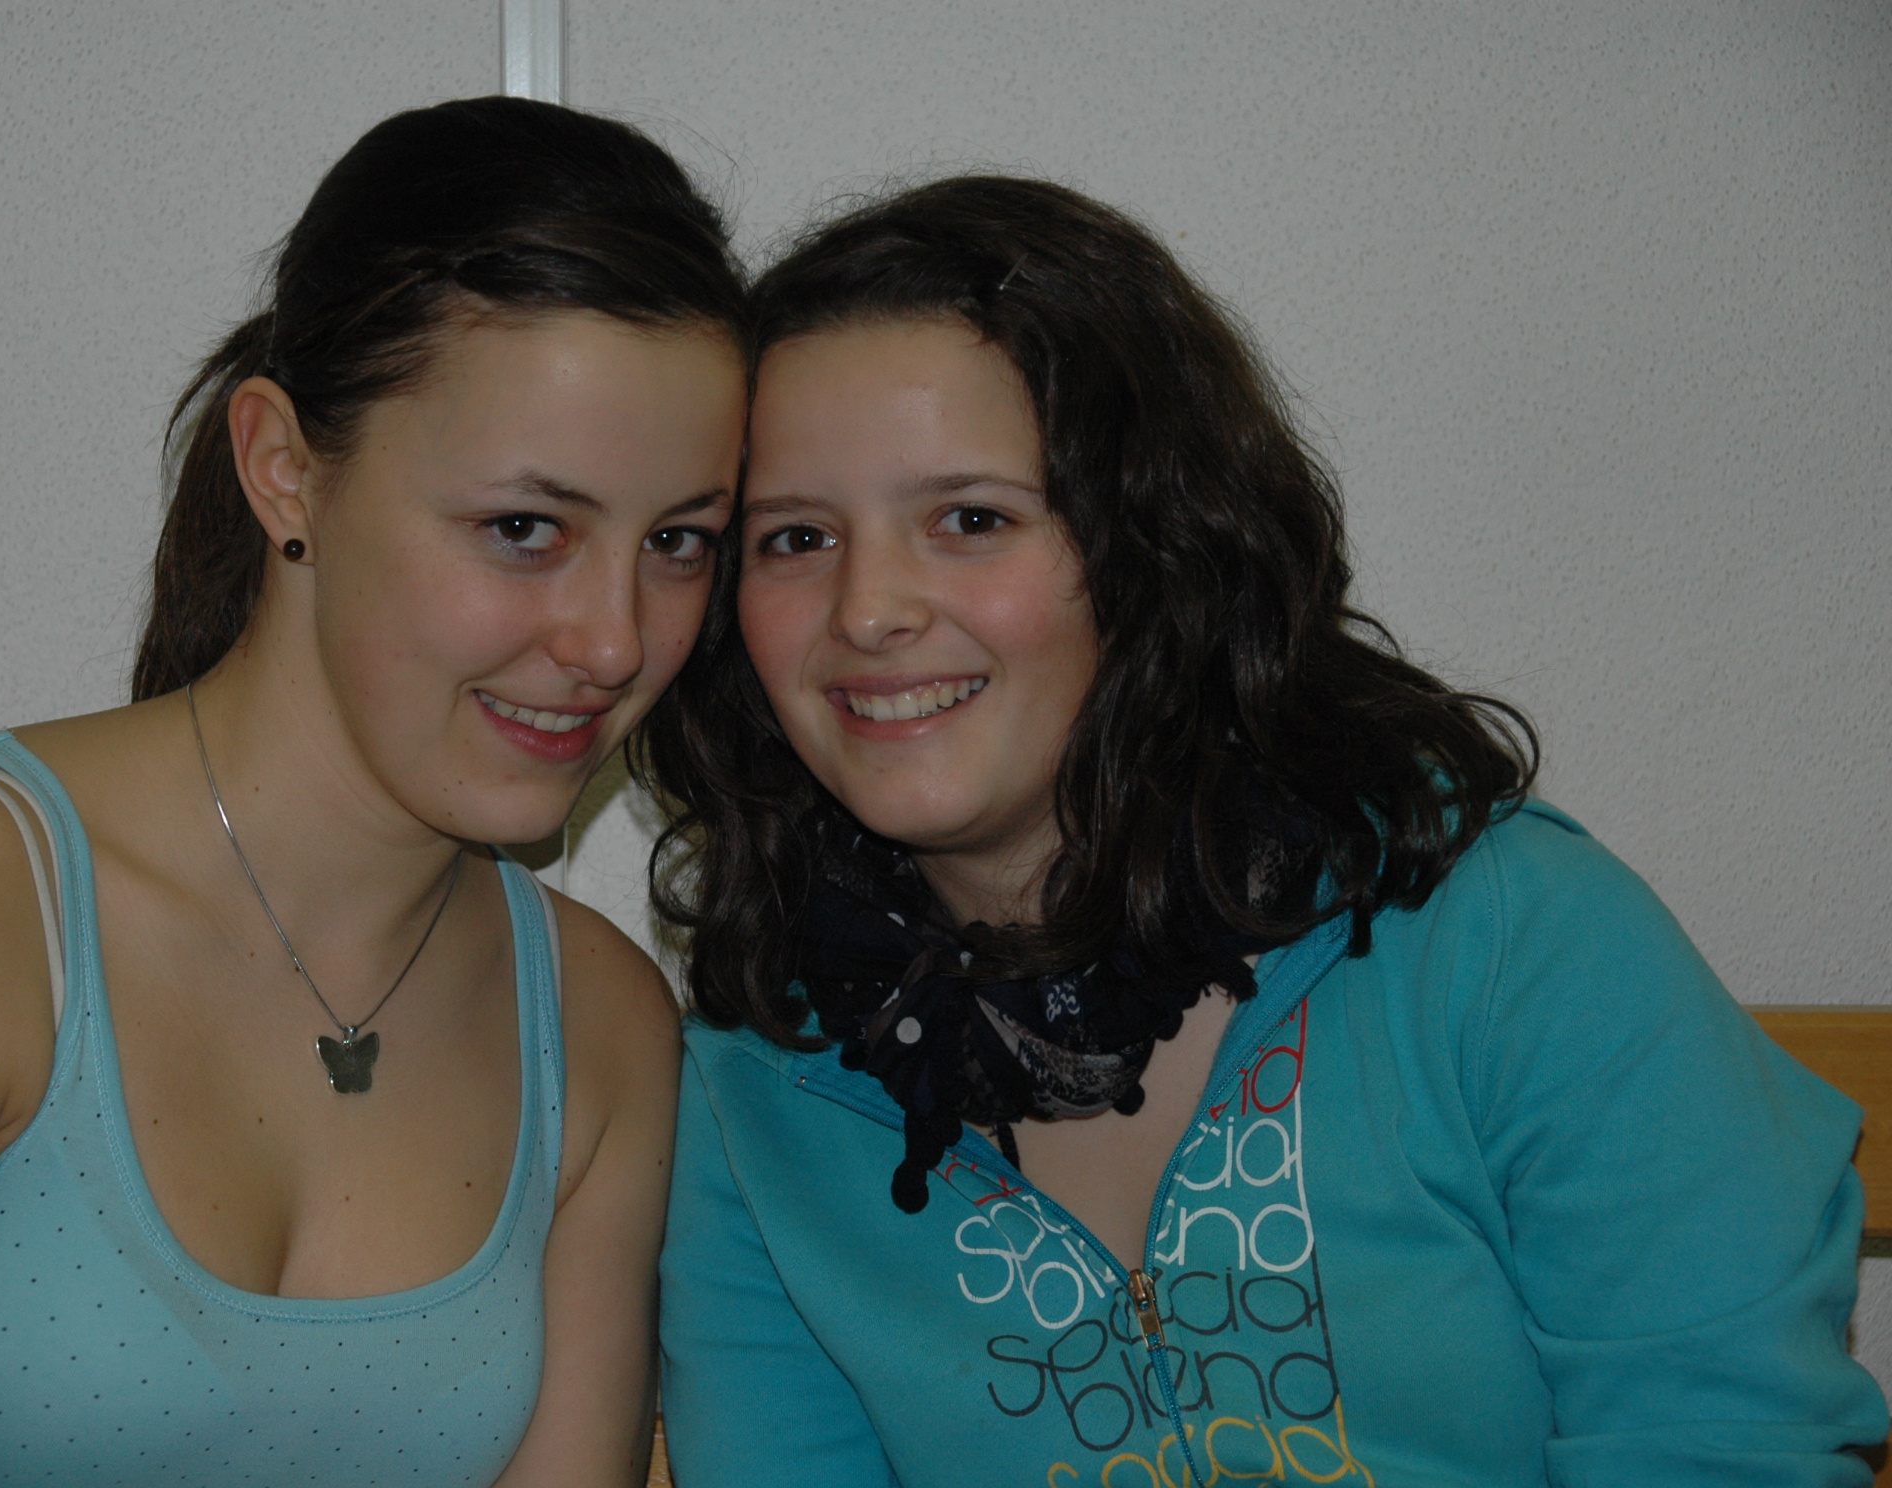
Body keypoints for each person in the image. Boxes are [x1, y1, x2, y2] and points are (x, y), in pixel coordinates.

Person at [645, 176, 1888, 1487]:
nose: (868, 608)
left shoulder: (1510, 939)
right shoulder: (760, 1073)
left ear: (1156, 544)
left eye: (972, 519)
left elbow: (1724, 1446)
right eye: (795, 537)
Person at [0, 97, 746, 1487]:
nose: (613, 641)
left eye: (679, 542)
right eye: (525, 528)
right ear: (284, 469)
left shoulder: (599, 1027)